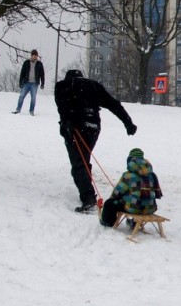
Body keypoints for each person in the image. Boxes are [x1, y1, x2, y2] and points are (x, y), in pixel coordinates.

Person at [54, 69, 137, 212]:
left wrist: (68, 123)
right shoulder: (93, 85)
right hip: (92, 128)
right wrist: (128, 123)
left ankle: (88, 198)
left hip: (74, 129)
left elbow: (63, 108)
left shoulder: (63, 86)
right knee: (83, 160)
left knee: (78, 164)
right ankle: (87, 192)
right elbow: (113, 104)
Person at [100, 148, 162, 227]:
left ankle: (108, 222)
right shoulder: (152, 175)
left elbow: (117, 192)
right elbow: (154, 192)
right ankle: (134, 222)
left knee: (109, 203)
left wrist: (112, 200)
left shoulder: (128, 175)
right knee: (138, 200)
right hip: (150, 208)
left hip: (134, 208)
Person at [13, 49, 45, 115]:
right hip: (26, 83)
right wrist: (20, 82)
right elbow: (22, 72)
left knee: (33, 98)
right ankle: (18, 109)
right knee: (21, 96)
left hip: (34, 84)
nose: (35, 57)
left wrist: (42, 83)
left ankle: (31, 111)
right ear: (31, 55)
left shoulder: (39, 64)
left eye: (36, 55)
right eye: (34, 55)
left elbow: (42, 74)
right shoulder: (26, 62)